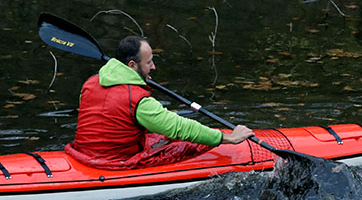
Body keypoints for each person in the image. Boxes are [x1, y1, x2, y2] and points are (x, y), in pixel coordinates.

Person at [65, 35, 255, 169]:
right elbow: (180, 128)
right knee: (190, 142)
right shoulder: (138, 100)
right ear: (132, 65)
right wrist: (227, 138)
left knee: (160, 135)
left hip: (84, 153)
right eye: (149, 63)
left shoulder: (90, 83)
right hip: (117, 163)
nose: (153, 67)